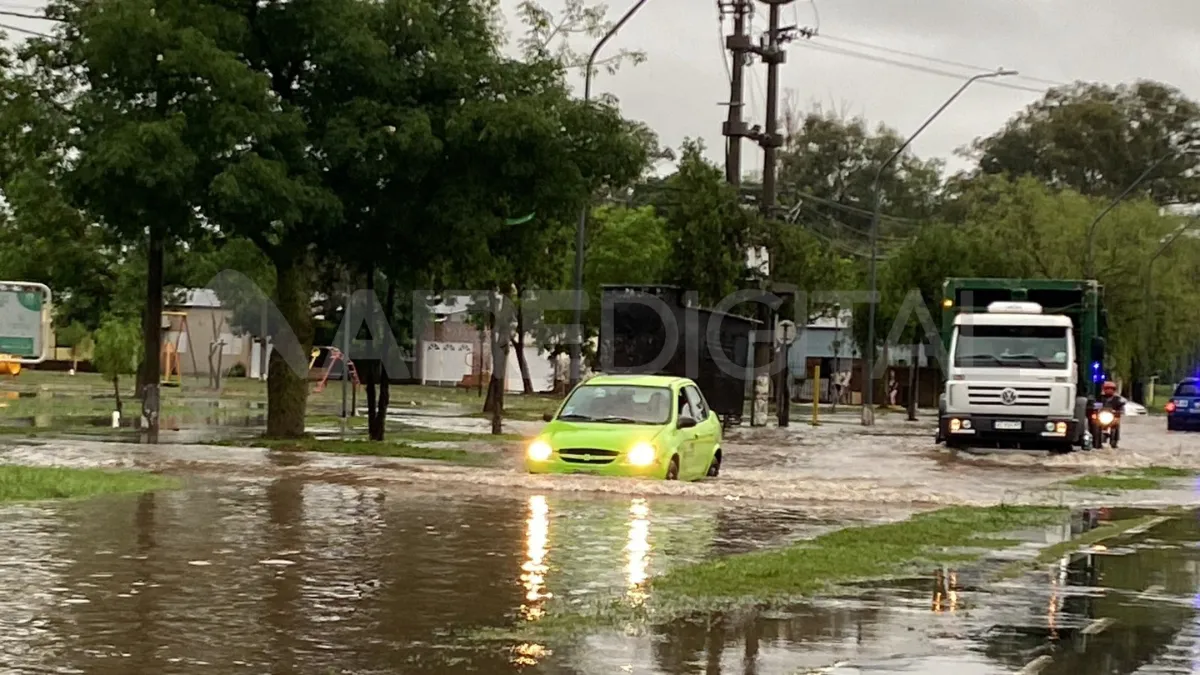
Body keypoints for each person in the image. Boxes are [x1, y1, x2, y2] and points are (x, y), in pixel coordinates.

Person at [1097, 380, 1125, 445]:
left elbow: (1121, 408)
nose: (1109, 390)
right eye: (1107, 388)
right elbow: (1095, 406)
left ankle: (1115, 439)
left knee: (1116, 424)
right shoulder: (1100, 398)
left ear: (1114, 390)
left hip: (1113, 417)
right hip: (1102, 416)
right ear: (1104, 389)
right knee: (1095, 424)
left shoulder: (1117, 399)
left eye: (1111, 389)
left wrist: (1119, 411)